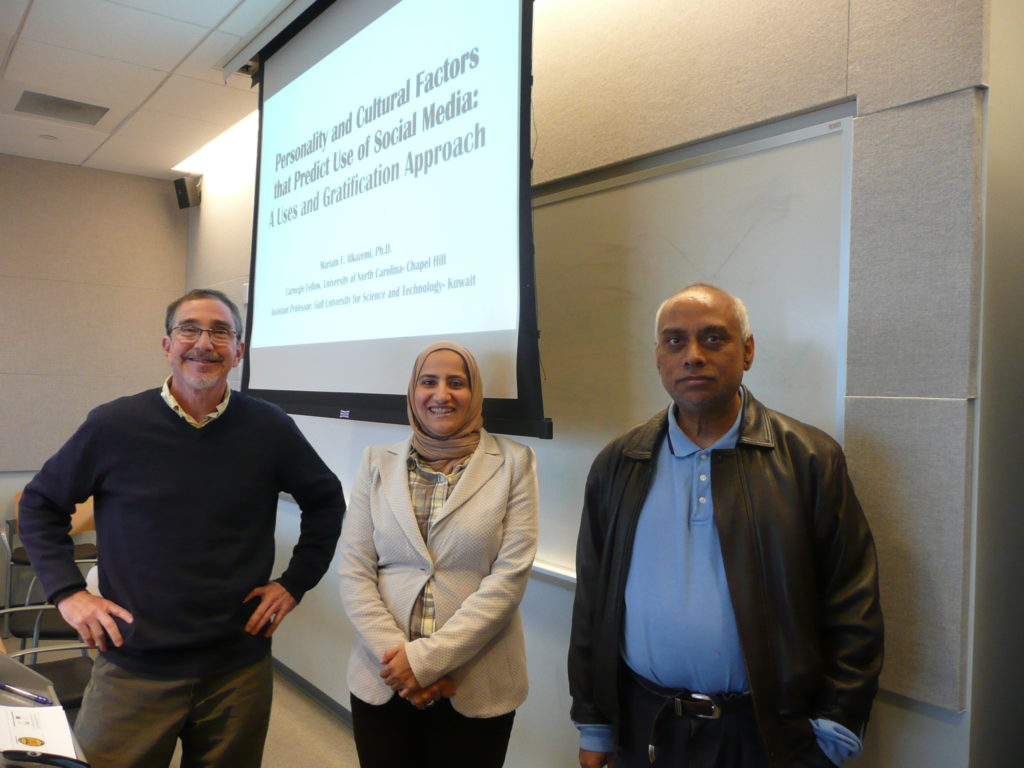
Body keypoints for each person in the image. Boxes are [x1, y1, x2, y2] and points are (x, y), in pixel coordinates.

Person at [18, 288, 345, 768]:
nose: (203, 343)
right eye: (189, 329)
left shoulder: (269, 427)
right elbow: (41, 505)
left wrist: (294, 584)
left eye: (220, 332)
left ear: (239, 351)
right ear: (167, 345)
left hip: (237, 668)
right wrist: (69, 593)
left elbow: (326, 502)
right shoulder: (114, 425)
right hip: (133, 664)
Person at [568, 284, 883, 768]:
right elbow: (594, 599)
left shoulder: (809, 460)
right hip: (645, 727)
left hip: (768, 737)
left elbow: (853, 603)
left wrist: (834, 734)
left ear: (748, 351)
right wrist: (595, 723)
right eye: (675, 341)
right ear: (658, 358)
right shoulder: (618, 463)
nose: (692, 356)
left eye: (713, 339)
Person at [339, 341, 538, 768]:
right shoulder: (376, 462)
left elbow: (509, 579)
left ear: (475, 392)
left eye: (457, 383)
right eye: (428, 382)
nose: (441, 394)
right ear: (412, 391)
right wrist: (402, 662)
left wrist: (426, 662)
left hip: (475, 680)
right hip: (384, 674)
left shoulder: (515, 463)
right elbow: (355, 569)